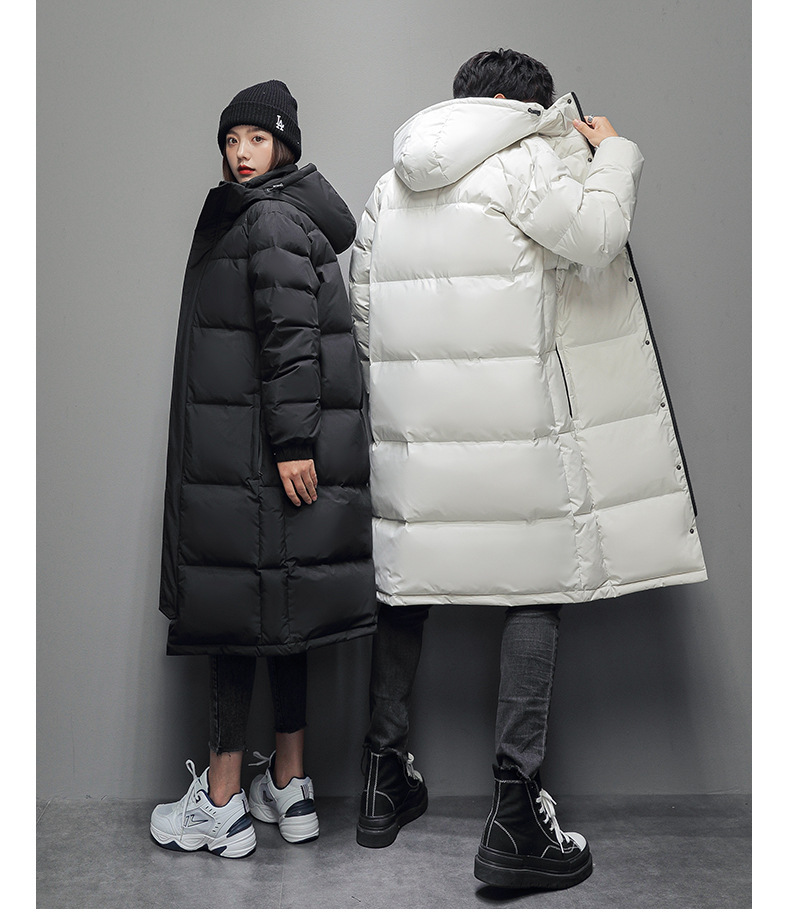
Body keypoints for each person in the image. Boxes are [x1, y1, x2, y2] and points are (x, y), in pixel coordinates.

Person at [349, 49, 706, 889]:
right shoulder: (527, 164)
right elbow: (598, 236)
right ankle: (514, 813)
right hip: (517, 428)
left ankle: (380, 781)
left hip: (418, 437)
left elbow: (363, 309)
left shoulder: (387, 187)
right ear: (519, 104)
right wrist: (614, 151)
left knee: (407, 582)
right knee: (535, 584)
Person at [151, 80, 376, 857]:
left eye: (256, 138)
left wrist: (291, 442)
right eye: (231, 139)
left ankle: (220, 802)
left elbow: (290, 338)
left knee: (234, 619)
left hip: (253, 464)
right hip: (255, 461)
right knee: (284, 618)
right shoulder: (279, 212)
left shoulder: (269, 218)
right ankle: (289, 782)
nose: (240, 153)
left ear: (284, 146)